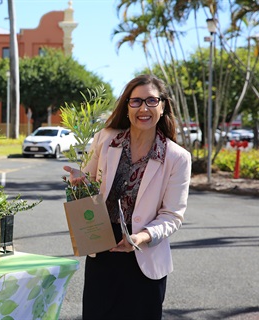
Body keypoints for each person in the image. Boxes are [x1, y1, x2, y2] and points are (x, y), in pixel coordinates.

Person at [63, 74, 191, 319]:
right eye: (136, 101)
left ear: (163, 107)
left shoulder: (177, 157)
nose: (144, 108)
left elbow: (172, 215)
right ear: (127, 106)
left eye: (152, 101)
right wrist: (80, 180)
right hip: (102, 248)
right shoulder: (106, 139)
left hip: (145, 253)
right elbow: (90, 185)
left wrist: (140, 238)